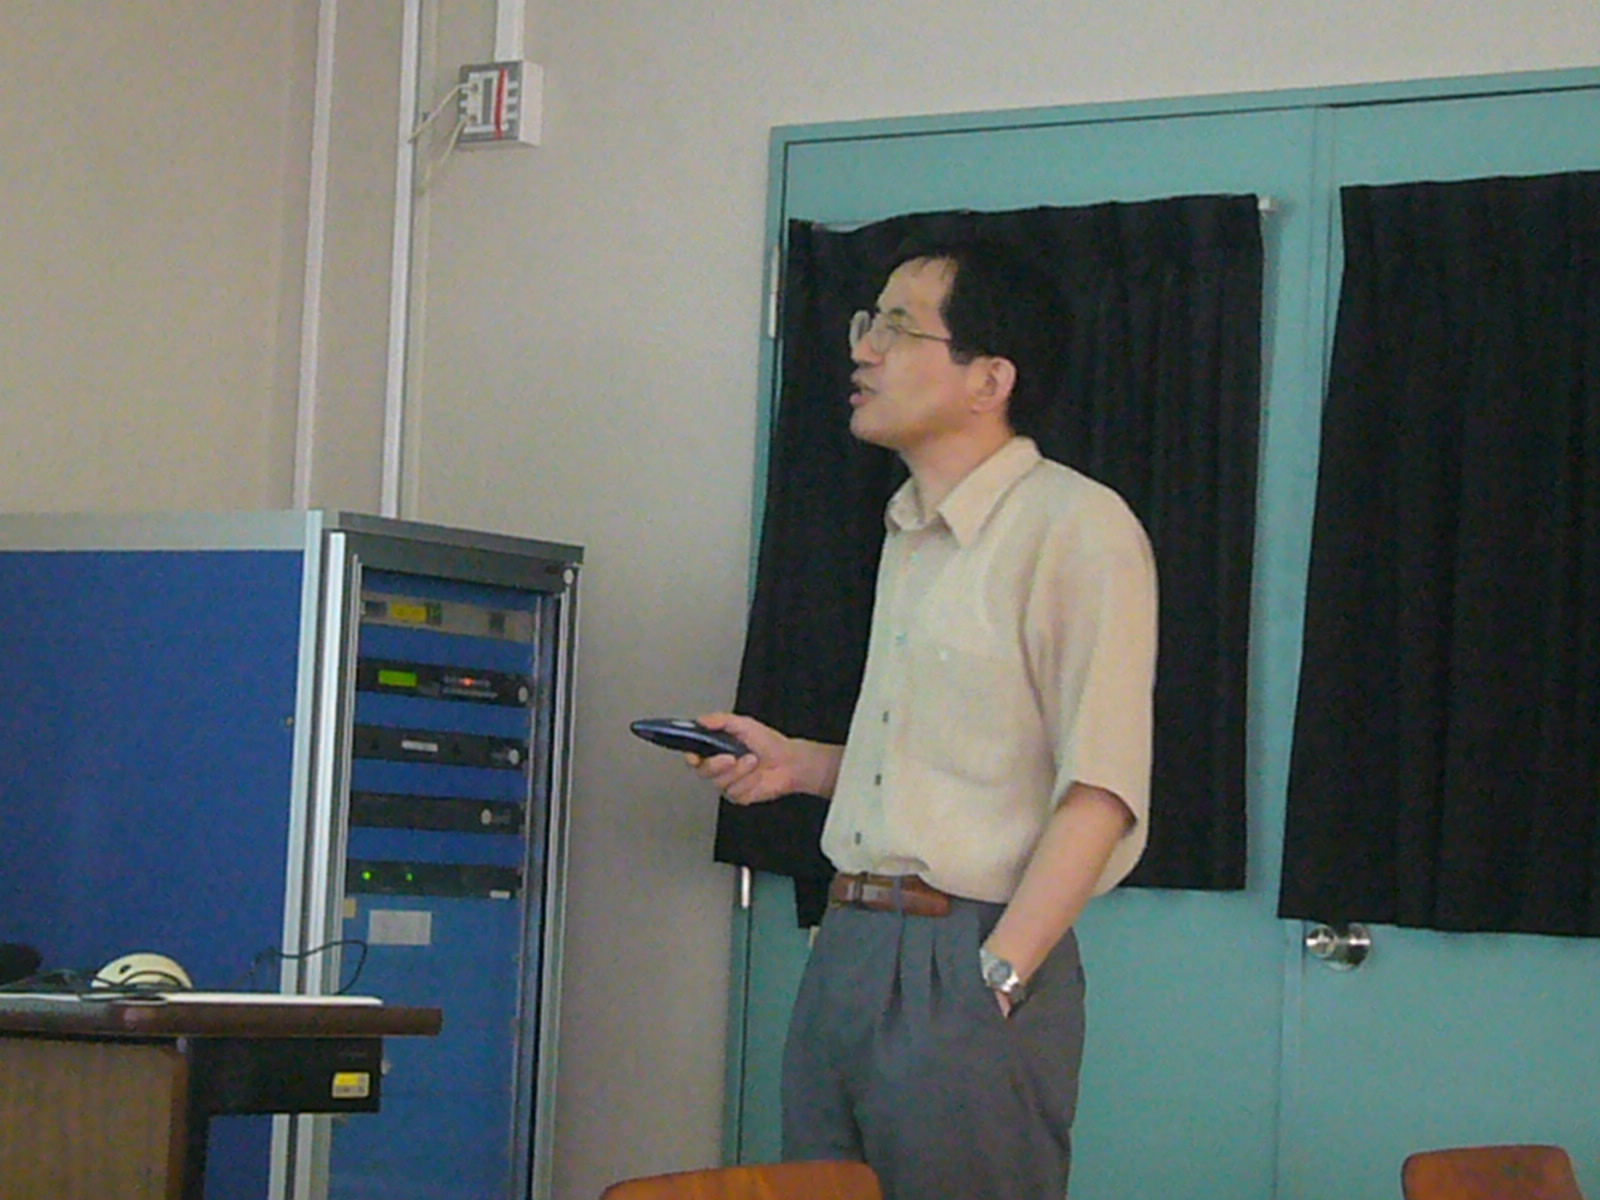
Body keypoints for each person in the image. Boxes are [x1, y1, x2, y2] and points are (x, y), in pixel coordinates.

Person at [690, 236, 1158, 1200]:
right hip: (849, 945)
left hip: (966, 955)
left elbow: (1102, 788)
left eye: (898, 328)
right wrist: (798, 766)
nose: (863, 349)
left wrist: (1002, 976)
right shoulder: (908, 531)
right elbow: (955, 759)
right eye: (867, 323)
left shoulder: (1076, 526)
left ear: (990, 378)